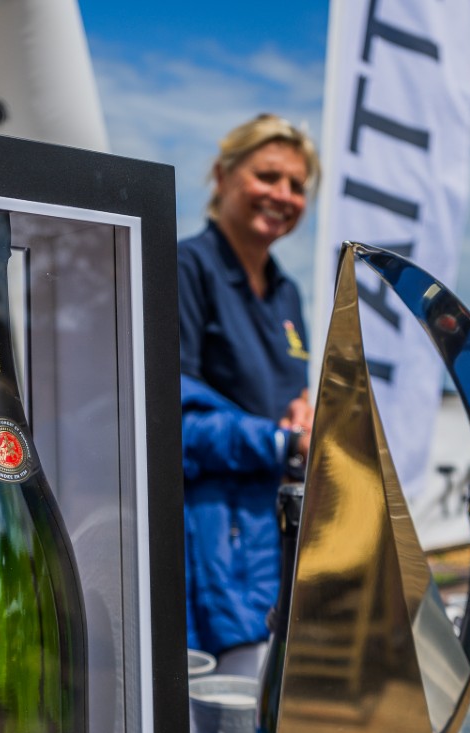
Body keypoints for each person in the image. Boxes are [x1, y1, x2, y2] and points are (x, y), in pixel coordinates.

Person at [179, 113, 319, 677]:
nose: (283, 195)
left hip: (274, 545)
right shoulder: (185, 269)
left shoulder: (288, 293)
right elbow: (169, 424)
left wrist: (305, 412)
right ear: (222, 175)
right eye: (268, 176)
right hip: (212, 555)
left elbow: (289, 399)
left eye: (297, 185)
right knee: (228, 717)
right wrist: (283, 442)